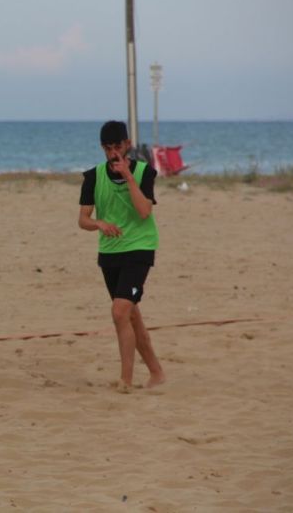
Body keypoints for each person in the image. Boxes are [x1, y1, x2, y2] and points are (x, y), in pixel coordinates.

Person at [78, 121, 166, 391]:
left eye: (118, 146)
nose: (113, 153)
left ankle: (125, 381)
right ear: (102, 148)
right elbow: (83, 220)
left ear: (127, 145)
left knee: (119, 312)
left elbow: (144, 212)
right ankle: (156, 373)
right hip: (110, 252)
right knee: (130, 316)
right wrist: (99, 224)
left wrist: (128, 177)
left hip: (139, 248)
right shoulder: (93, 176)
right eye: (108, 148)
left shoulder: (144, 172)